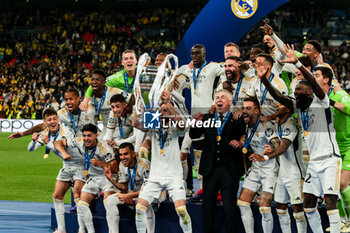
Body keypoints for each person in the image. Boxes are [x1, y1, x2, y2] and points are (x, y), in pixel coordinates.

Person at [260, 44, 341, 233]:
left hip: (330, 159)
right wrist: (264, 81)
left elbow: (314, 82)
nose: (296, 93)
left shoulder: (322, 101)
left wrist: (297, 62)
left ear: (310, 91)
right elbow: (279, 96)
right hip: (313, 163)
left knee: (330, 200)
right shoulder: (299, 107)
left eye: (299, 91)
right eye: (295, 92)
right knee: (309, 204)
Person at [133, 89, 192, 233]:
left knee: (182, 211)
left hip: (174, 177)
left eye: (166, 111)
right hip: (154, 177)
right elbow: (135, 122)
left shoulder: (175, 127)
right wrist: (138, 101)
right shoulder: (153, 125)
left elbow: (182, 125)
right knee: (140, 210)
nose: (163, 113)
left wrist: (167, 102)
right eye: (161, 110)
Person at [190, 89, 245, 233]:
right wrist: (195, 123)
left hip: (229, 169)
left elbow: (245, 135)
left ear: (230, 102)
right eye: (217, 98)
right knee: (208, 207)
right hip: (210, 169)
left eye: (223, 98)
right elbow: (194, 135)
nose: (219, 100)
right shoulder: (207, 118)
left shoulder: (237, 118)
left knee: (229, 208)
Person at [250, 101, 307, 233]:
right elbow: (279, 148)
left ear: (287, 109)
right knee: (280, 208)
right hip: (283, 173)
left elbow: (283, 148)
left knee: (297, 210)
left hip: (295, 174)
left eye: (280, 104)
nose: (276, 105)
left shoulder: (291, 124)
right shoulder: (278, 124)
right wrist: (271, 149)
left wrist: (264, 157)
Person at [27, 108, 85, 233]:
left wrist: (47, 143)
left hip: (80, 165)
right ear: (45, 122)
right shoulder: (46, 133)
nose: (52, 122)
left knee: (77, 197)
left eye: (54, 119)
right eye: (49, 120)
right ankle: (61, 229)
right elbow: (30, 149)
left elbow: (60, 147)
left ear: (58, 119)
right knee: (57, 196)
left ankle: (82, 229)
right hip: (67, 166)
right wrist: (33, 141)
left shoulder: (66, 131)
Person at [54, 124, 118, 233]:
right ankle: (88, 231)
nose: (86, 139)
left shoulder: (104, 148)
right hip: (92, 178)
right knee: (81, 204)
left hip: (107, 178)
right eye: (84, 136)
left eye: (89, 136)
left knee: (108, 203)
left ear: (96, 135)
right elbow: (58, 143)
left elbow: (115, 168)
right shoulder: (79, 141)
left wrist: (101, 163)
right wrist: (63, 152)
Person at [314, 66, 350, 232]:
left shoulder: (339, 93)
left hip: (348, 145)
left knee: (342, 183)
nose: (313, 77)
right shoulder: (316, 98)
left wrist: (332, 103)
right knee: (332, 187)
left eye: (317, 75)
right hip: (331, 147)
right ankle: (342, 221)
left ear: (326, 79)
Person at [237, 97, 279, 233]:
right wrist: (242, 140)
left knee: (264, 206)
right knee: (242, 203)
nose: (244, 111)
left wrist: (268, 153)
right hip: (255, 169)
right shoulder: (247, 125)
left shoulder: (266, 126)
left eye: (248, 109)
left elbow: (279, 146)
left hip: (270, 170)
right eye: (243, 108)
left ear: (256, 111)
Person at [104, 142, 155, 233]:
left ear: (134, 154)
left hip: (150, 196)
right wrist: (111, 179)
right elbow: (124, 187)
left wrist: (128, 196)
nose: (123, 157)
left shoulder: (144, 165)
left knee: (144, 203)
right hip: (134, 196)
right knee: (110, 200)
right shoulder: (122, 165)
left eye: (125, 154)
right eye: (121, 155)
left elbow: (149, 190)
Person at [8, 89, 96, 139]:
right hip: (77, 147)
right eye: (66, 99)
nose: (68, 102)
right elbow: (43, 126)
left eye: (71, 99)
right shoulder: (62, 113)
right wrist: (23, 134)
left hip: (94, 145)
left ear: (78, 99)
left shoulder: (90, 110)